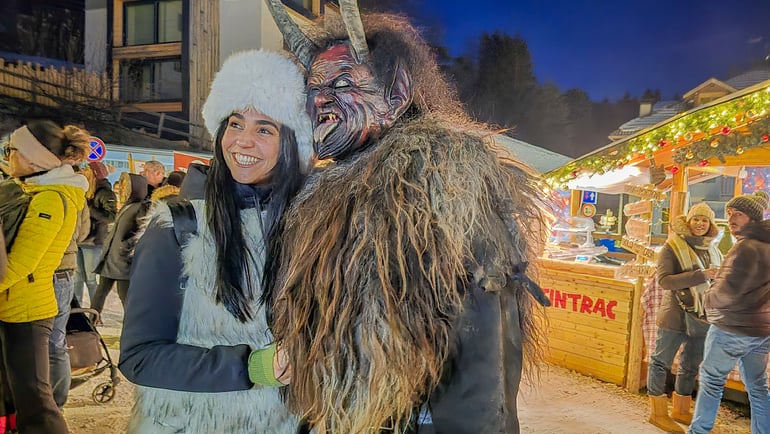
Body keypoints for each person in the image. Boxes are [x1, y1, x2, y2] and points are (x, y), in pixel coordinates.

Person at [265, 2, 549, 432]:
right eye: (311, 88)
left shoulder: (447, 194)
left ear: (396, 93)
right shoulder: (322, 197)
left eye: (343, 84)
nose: (318, 101)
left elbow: (482, 369)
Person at [118, 50, 312, 433]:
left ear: (291, 142)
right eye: (235, 123)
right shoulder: (177, 225)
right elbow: (140, 357)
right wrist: (253, 366)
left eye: (264, 129)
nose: (242, 141)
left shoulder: (309, 228)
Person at [0, 120, 90, 434]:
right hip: (15, 304)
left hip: (28, 309)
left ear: (33, 157)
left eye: (12, 150)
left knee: (35, 399)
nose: (8, 156)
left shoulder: (51, 199)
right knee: (16, 391)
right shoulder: (34, 190)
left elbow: (22, 263)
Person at [689, 191, 770, 434]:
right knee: (758, 387)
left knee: (712, 381)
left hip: (731, 328)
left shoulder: (744, 247)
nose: (732, 218)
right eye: (729, 213)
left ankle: (698, 431)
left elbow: (726, 291)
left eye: (739, 214)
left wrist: (707, 300)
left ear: (753, 219)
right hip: (762, 331)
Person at [648, 202, 722, 433]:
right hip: (675, 315)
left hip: (703, 316)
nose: (700, 224)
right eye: (696, 219)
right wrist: (701, 275)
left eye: (705, 220)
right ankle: (657, 412)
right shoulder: (672, 247)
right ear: (687, 222)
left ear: (710, 225)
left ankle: (681, 409)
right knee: (661, 362)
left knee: (690, 365)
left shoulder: (713, 249)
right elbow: (665, 281)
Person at [49, 168, 91, 409]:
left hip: (47, 268)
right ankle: (57, 400)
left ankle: (46, 402)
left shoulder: (42, 191)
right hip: (66, 268)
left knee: (43, 340)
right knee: (57, 339)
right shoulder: (78, 192)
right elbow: (83, 232)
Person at [90, 172, 148, 313]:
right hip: (112, 257)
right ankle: (92, 319)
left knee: (125, 296)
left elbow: (142, 232)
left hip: (123, 261)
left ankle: (131, 326)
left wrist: (126, 245)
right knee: (100, 292)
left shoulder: (141, 207)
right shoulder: (128, 205)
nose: (122, 190)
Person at [74, 161, 116, 305]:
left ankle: (95, 311)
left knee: (91, 280)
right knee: (77, 278)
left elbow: (111, 216)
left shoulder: (105, 192)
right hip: (79, 239)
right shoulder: (86, 190)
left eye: (87, 170)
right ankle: (76, 310)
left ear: (94, 174)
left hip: (93, 241)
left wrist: (90, 210)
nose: (84, 171)